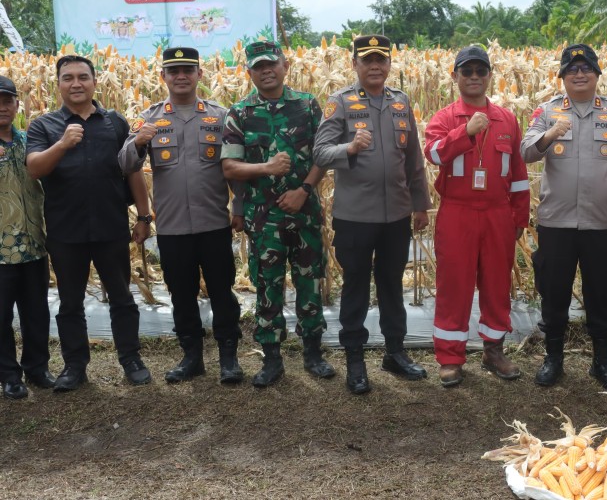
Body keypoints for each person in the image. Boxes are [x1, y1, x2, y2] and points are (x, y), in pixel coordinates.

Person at [26, 55, 153, 391]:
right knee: (70, 303)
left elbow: (133, 170)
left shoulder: (115, 122)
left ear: (95, 81)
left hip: (110, 227)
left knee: (122, 298)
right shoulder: (44, 126)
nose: (76, 83)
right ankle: (75, 365)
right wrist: (63, 144)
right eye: (68, 78)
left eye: (83, 77)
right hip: (66, 231)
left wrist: (143, 216)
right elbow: (35, 168)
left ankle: (131, 359)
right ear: (58, 84)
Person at [118, 47, 244, 385]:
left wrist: (240, 208)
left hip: (214, 223)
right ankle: (192, 357)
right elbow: (125, 165)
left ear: (199, 74)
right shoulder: (149, 117)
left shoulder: (220, 116)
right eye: (174, 71)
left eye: (188, 69)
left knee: (222, 292)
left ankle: (229, 356)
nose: (181, 76)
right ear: (164, 77)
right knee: (182, 294)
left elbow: (234, 167)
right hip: (172, 228)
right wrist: (137, 143)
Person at [313, 35, 431, 394]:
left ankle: (395, 352)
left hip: (396, 215)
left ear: (389, 64)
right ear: (355, 65)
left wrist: (420, 203)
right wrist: (349, 147)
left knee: (392, 285)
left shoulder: (400, 103)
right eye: (368, 60)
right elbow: (320, 153)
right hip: (355, 217)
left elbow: (413, 159)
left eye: (381, 59)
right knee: (356, 287)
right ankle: (355, 358)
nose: (375, 66)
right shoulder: (340, 103)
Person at [521, 43, 607, 389]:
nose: (579, 74)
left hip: (600, 222)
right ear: (562, 77)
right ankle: (553, 358)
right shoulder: (546, 111)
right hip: (556, 221)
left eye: (586, 68)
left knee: (600, 294)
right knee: (553, 292)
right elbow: (525, 152)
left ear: (597, 73)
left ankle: (602, 360)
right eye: (571, 70)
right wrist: (548, 135)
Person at [221, 40, 334, 388]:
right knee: (267, 286)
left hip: (305, 214)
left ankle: (313, 352)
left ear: (285, 66)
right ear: (250, 72)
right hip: (263, 218)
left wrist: (304, 190)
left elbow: (324, 154)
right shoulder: (239, 113)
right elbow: (229, 167)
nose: (266, 70)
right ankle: (271, 358)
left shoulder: (307, 105)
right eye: (258, 66)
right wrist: (266, 167)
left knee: (309, 282)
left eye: (272, 64)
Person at [423, 46, 530, 387]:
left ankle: (493, 349)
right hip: (458, 212)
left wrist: (519, 217)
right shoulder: (443, 119)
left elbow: (518, 173)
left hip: (498, 213)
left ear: (489, 76)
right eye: (466, 72)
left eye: (479, 71)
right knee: (454, 284)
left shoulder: (507, 120)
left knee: (497, 283)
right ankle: (450, 357)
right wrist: (466, 131)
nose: (473, 77)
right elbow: (434, 155)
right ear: (454, 76)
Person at [0, 75, 53, 399]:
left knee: (37, 312)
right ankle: (9, 374)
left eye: (6, 101)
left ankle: (37, 367)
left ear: (17, 105)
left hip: (33, 244)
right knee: (1, 317)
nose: (1, 107)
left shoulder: (30, 144)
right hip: (1, 252)